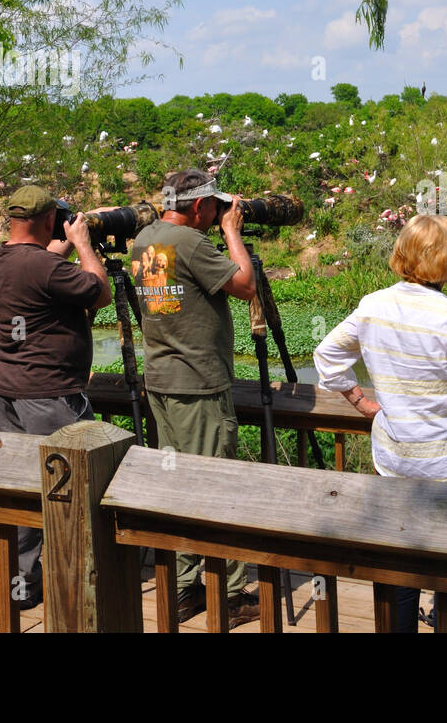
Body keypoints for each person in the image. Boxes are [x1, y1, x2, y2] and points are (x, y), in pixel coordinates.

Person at [313, 213, 447, 632]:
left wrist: (361, 401)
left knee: (401, 571)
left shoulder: (373, 306)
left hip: (394, 462)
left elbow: (327, 357)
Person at [131, 168, 260, 628]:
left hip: (162, 381)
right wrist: (232, 233)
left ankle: (186, 590)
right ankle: (229, 595)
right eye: (215, 209)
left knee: (178, 485)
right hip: (200, 384)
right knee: (216, 485)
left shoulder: (145, 238)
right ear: (201, 207)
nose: (218, 215)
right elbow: (245, 285)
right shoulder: (192, 243)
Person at [0, 185, 110, 610]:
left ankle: (24, 576)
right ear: (47, 221)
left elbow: (38, 271)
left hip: (6, 390)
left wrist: (62, 246)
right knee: (72, 483)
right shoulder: (45, 265)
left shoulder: (0, 258)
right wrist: (84, 245)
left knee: (24, 483)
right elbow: (100, 291)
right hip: (50, 393)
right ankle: (74, 570)